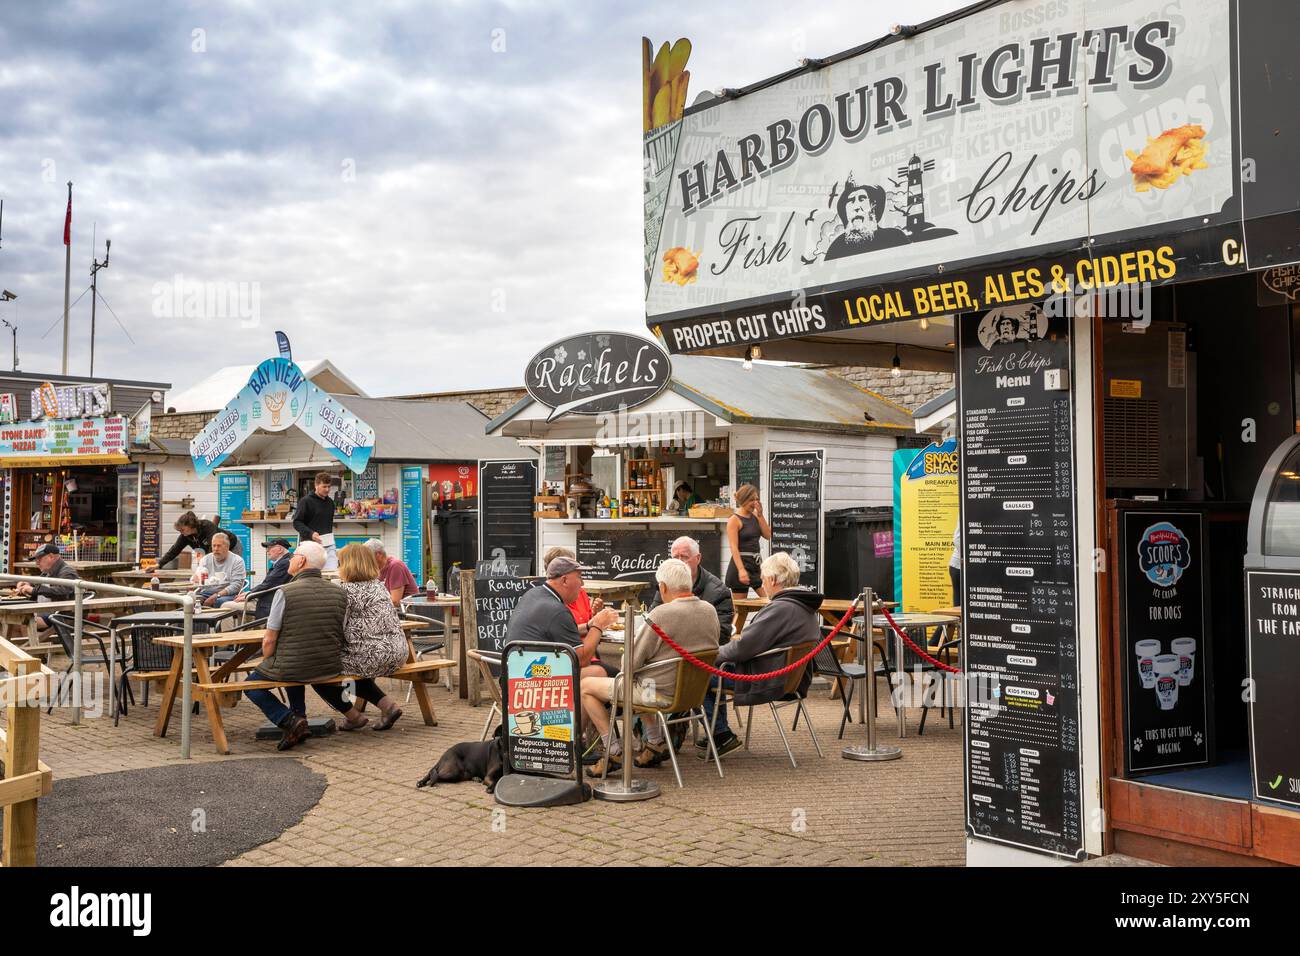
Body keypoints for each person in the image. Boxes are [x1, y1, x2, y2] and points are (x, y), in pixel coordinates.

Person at [580, 558, 721, 776]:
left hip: (657, 693)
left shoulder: (661, 614)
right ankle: (655, 743)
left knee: (587, 686)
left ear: (663, 587)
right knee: (641, 678)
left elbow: (629, 663)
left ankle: (613, 750)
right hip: (692, 694)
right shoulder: (709, 610)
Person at [700, 552, 823, 757]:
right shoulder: (804, 606)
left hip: (767, 679)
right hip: (790, 678)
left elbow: (742, 648)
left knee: (697, 675)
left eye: (763, 579)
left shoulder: (780, 608)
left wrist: (709, 654)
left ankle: (720, 735)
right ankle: (718, 732)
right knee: (710, 671)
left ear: (773, 580)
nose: (762, 584)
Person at [241, 541, 344, 751]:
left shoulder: (285, 592)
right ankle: (300, 718)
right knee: (290, 664)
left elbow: (269, 639)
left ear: (302, 561)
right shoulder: (338, 592)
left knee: (251, 684)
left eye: (294, 555)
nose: (290, 559)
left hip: (297, 664)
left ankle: (288, 720)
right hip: (329, 665)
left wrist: (266, 660)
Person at [312, 543, 406, 731]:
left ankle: (353, 716)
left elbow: (337, 626)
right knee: (356, 667)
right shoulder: (379, 586)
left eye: (340, 562)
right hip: (398, 652)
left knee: (318, 672)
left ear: (348, 565)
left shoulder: (345, 592)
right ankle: (389, 707)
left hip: (372, 655)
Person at [505, 555, 618, 667]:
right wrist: (598, 625)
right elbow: (582, 660)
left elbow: (557, 632)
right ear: (564, 580)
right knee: (602, 672)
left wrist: (589, 626)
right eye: (579, 577)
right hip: (533, 678)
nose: (582, 583)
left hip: (516, 672)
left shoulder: (534, 593)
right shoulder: (557, 610)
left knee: (600, 671)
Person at [824, 181, 909, 260]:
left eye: (862, 199)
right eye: (851, 201)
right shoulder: (837, 248)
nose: (856, 207)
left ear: (873, 206)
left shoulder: (894, 237)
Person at [15, 543, 80, 633]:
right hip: (47, 612)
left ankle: (29, 646)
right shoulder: (48, 571)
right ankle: (25, 645)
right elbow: (40, 587)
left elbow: (63, 592)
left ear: (51, 556)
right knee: (14, 618)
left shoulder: (67, 572)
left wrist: (33, 590)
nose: (37, 563)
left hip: (59, 615)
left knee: (17, 621)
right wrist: (27, 584)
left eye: (39, 559)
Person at [726, 484, 771, 600]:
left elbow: (767, 535)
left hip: (755, 565)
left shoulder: (756, 516)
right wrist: (741, 570)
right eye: (751, 500)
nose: (755, 503)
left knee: (769, 600)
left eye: (757, 499)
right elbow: (733, 547)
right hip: (740, 564)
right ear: (743, 500)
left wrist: (760, 515)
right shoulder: (734, 520)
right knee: (740, 610)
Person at [156, 511, 240, 569]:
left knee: (230, 569)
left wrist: (206, 564)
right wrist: (158, 564)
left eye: (182, 530)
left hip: (232, 545)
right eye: (180, 531)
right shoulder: (185, 536)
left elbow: (212, 548)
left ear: (190, 525)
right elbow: (174, 550)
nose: (181, 532)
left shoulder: (207, 526)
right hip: (215, 551)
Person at [292, 472, 337, 567]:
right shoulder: (305, 501)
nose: (327, 490)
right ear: (316, 485)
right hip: (310, 545)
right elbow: (297, 522)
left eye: (329, 487)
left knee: (331, 572)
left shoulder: (330, 503)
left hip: (328, 544)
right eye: (324, 486)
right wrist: (311, 534)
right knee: (312, 575)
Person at [192, 532, 247, 608]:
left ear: (227, 547)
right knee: (190, 600)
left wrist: (217, 595)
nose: (215, 549)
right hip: (206, 593)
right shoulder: (205, 560)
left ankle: (212, 620)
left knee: (218, 601)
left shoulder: (237, 561)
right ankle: (196, 620)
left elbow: (236, 585)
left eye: (219, 546)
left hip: (228, 594)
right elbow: (200, 581)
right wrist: (196, 580)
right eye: (214, 546)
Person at [247, 537, 293, 621]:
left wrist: (249, 594)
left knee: (227, 605)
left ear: (279, 549)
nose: (267, 551)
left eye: (270, 548)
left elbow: (268, 584)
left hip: (270, 604)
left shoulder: (284, 563)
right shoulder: (284, 561)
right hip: (271, 602)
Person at [363, 538, 418, 606]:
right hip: (392, 612)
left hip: (407, 612)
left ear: (378, 555)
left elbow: (395, 601)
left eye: (367, 557)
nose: (365, 560)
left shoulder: (396, 566)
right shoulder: (377, 569)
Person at [950, 525, 962, 606]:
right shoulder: (966, 513)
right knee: (959, 604)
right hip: (958, 566)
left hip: (959, 564)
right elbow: (957, 539)